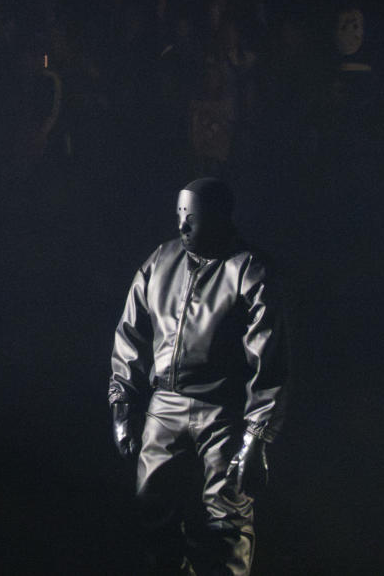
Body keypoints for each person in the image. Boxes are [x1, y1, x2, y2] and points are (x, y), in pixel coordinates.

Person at [109, 178, 289, 575]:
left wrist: (256, 436)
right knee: (152, 510)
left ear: (219, 216)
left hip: (221, 410)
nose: (183, 226)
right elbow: (131, 334)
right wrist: (122, 401)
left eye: (192, 216)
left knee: (226, 520)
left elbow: (269, 361)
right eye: (179, 215)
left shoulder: (249, 270)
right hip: (164, 406)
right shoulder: (161, 262)